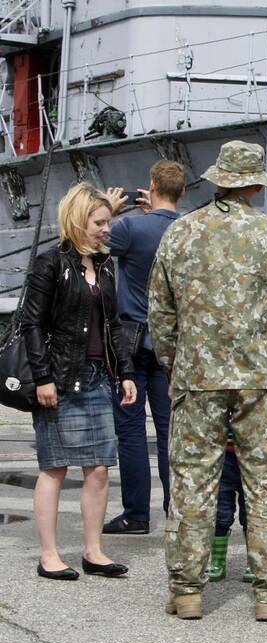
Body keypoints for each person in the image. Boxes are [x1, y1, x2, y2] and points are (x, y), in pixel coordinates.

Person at [148, 140, 267, 622]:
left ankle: (187, 591)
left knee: (193, 482)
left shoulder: (180, 234)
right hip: (260, 379)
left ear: (219, 180)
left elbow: (160, 313)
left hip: (196, 377)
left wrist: (175, 365)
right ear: (255, 185)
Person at [23, 182, 137, 580]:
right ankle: (50, 554)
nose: (108, 228)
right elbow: (31, 323)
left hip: (97, 376)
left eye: (108, 222)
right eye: (100, 222)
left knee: (100, 467)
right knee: (55, 466)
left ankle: (93, 551)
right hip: (60, 376)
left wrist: (125, 372)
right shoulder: (50, 263)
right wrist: (43, 377)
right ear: (78, 221)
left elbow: (114, 325)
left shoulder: (105, 266)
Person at [102, 159, 186, 535]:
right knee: (170, 430)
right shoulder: (187, 229)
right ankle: (175, 510)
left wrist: (110, 209)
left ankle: (136, 514)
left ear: (151, 186)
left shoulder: (129, 227)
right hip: (173, 342)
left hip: (131, 341)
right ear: (181, 191)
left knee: (132, 430)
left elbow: (88, 244)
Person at [208, 430, 253, 583]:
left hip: (253, 452)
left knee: (252, 513)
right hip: (221, 454)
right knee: (221, 513)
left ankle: (254, 561)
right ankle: (217, 562)